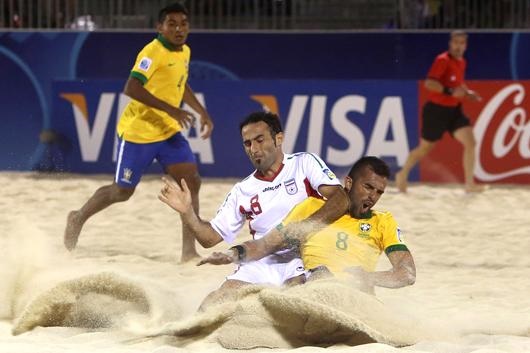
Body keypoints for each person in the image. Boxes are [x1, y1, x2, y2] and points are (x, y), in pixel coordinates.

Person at [64, 3, 214, 262]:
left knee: (191, 182)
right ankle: (77, 217)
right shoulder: (152, 52)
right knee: (122, 192)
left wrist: (202, 111)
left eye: (183, 24)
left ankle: (188, 251)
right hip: (139, 133)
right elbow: (131, 88)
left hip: (167, 131)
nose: (179, 29)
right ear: (160, 27)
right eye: (172, 24)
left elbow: (180, 84)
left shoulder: (184, 51)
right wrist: (174, 110)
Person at [158, 111, 349, 308]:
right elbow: (209, 239)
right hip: (260, 259)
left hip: (302, 256)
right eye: (248, 143)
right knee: (212, 304)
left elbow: (341, 199)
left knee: (296, 302)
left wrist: (303, 229)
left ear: (278, 139)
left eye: (259, 140)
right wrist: (187, 212)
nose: (254, 149)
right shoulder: (242, 190)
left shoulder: (303, 163)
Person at [199, 156, 416, 294]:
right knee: (308, 279)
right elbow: (265, 245)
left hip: (356, 299)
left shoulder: (383, 221)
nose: (373, 196)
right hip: (314, 291)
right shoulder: (312, 208)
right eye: (368, 187)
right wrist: (231, 254)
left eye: (379, 192)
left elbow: (406, 273)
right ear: (348, 183)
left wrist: (367, 277)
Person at [395, 30, 484, 193]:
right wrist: (450, 92)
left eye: (462, 43)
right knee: (425, 149)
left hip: (455, 110)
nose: (458, 46)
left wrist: (467, 92)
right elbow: (429, 83)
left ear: (466, 45)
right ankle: (402, 173)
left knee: (470, 143)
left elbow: (458, 83)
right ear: (450, 44)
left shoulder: (462, 61)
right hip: (436, 111)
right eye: (456, 43)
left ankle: (469, 184)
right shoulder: (442, 60)